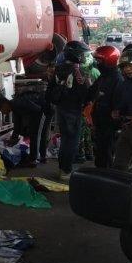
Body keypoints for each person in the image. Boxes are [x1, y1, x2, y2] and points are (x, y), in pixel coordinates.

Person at [46, 40, 92, 182]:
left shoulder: (59, 68)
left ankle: (62, 168)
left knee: (65, 140)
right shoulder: (78, 71)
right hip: (73, 110)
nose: (84, 57)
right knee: (72, 141)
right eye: (83, 54)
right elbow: (84, 93)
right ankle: (66, 171)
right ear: (76, 55)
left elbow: (50, 89)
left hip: (61, 109)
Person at [87, 46, 123, 168]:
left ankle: (105, 177)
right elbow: (92, 93)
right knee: (100, 151)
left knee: (106, 152)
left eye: (99, 60)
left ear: (109, 61)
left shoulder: (117, 79)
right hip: (100, 121)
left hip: (109, 124)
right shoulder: (103, 77)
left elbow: (117, 105)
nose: (97, 63)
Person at [0, 90, 48, 166]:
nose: (3, 113)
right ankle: (42, 157)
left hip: (42, 110)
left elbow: (37, 109)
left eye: (1, 110)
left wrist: (31, 123)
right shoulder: (14, 107)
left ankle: (33, 159)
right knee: (36, 134)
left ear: (5, 105)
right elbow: (17, 125)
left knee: (36, 135)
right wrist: (13, 139)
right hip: (39, 111)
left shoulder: (18, 103)